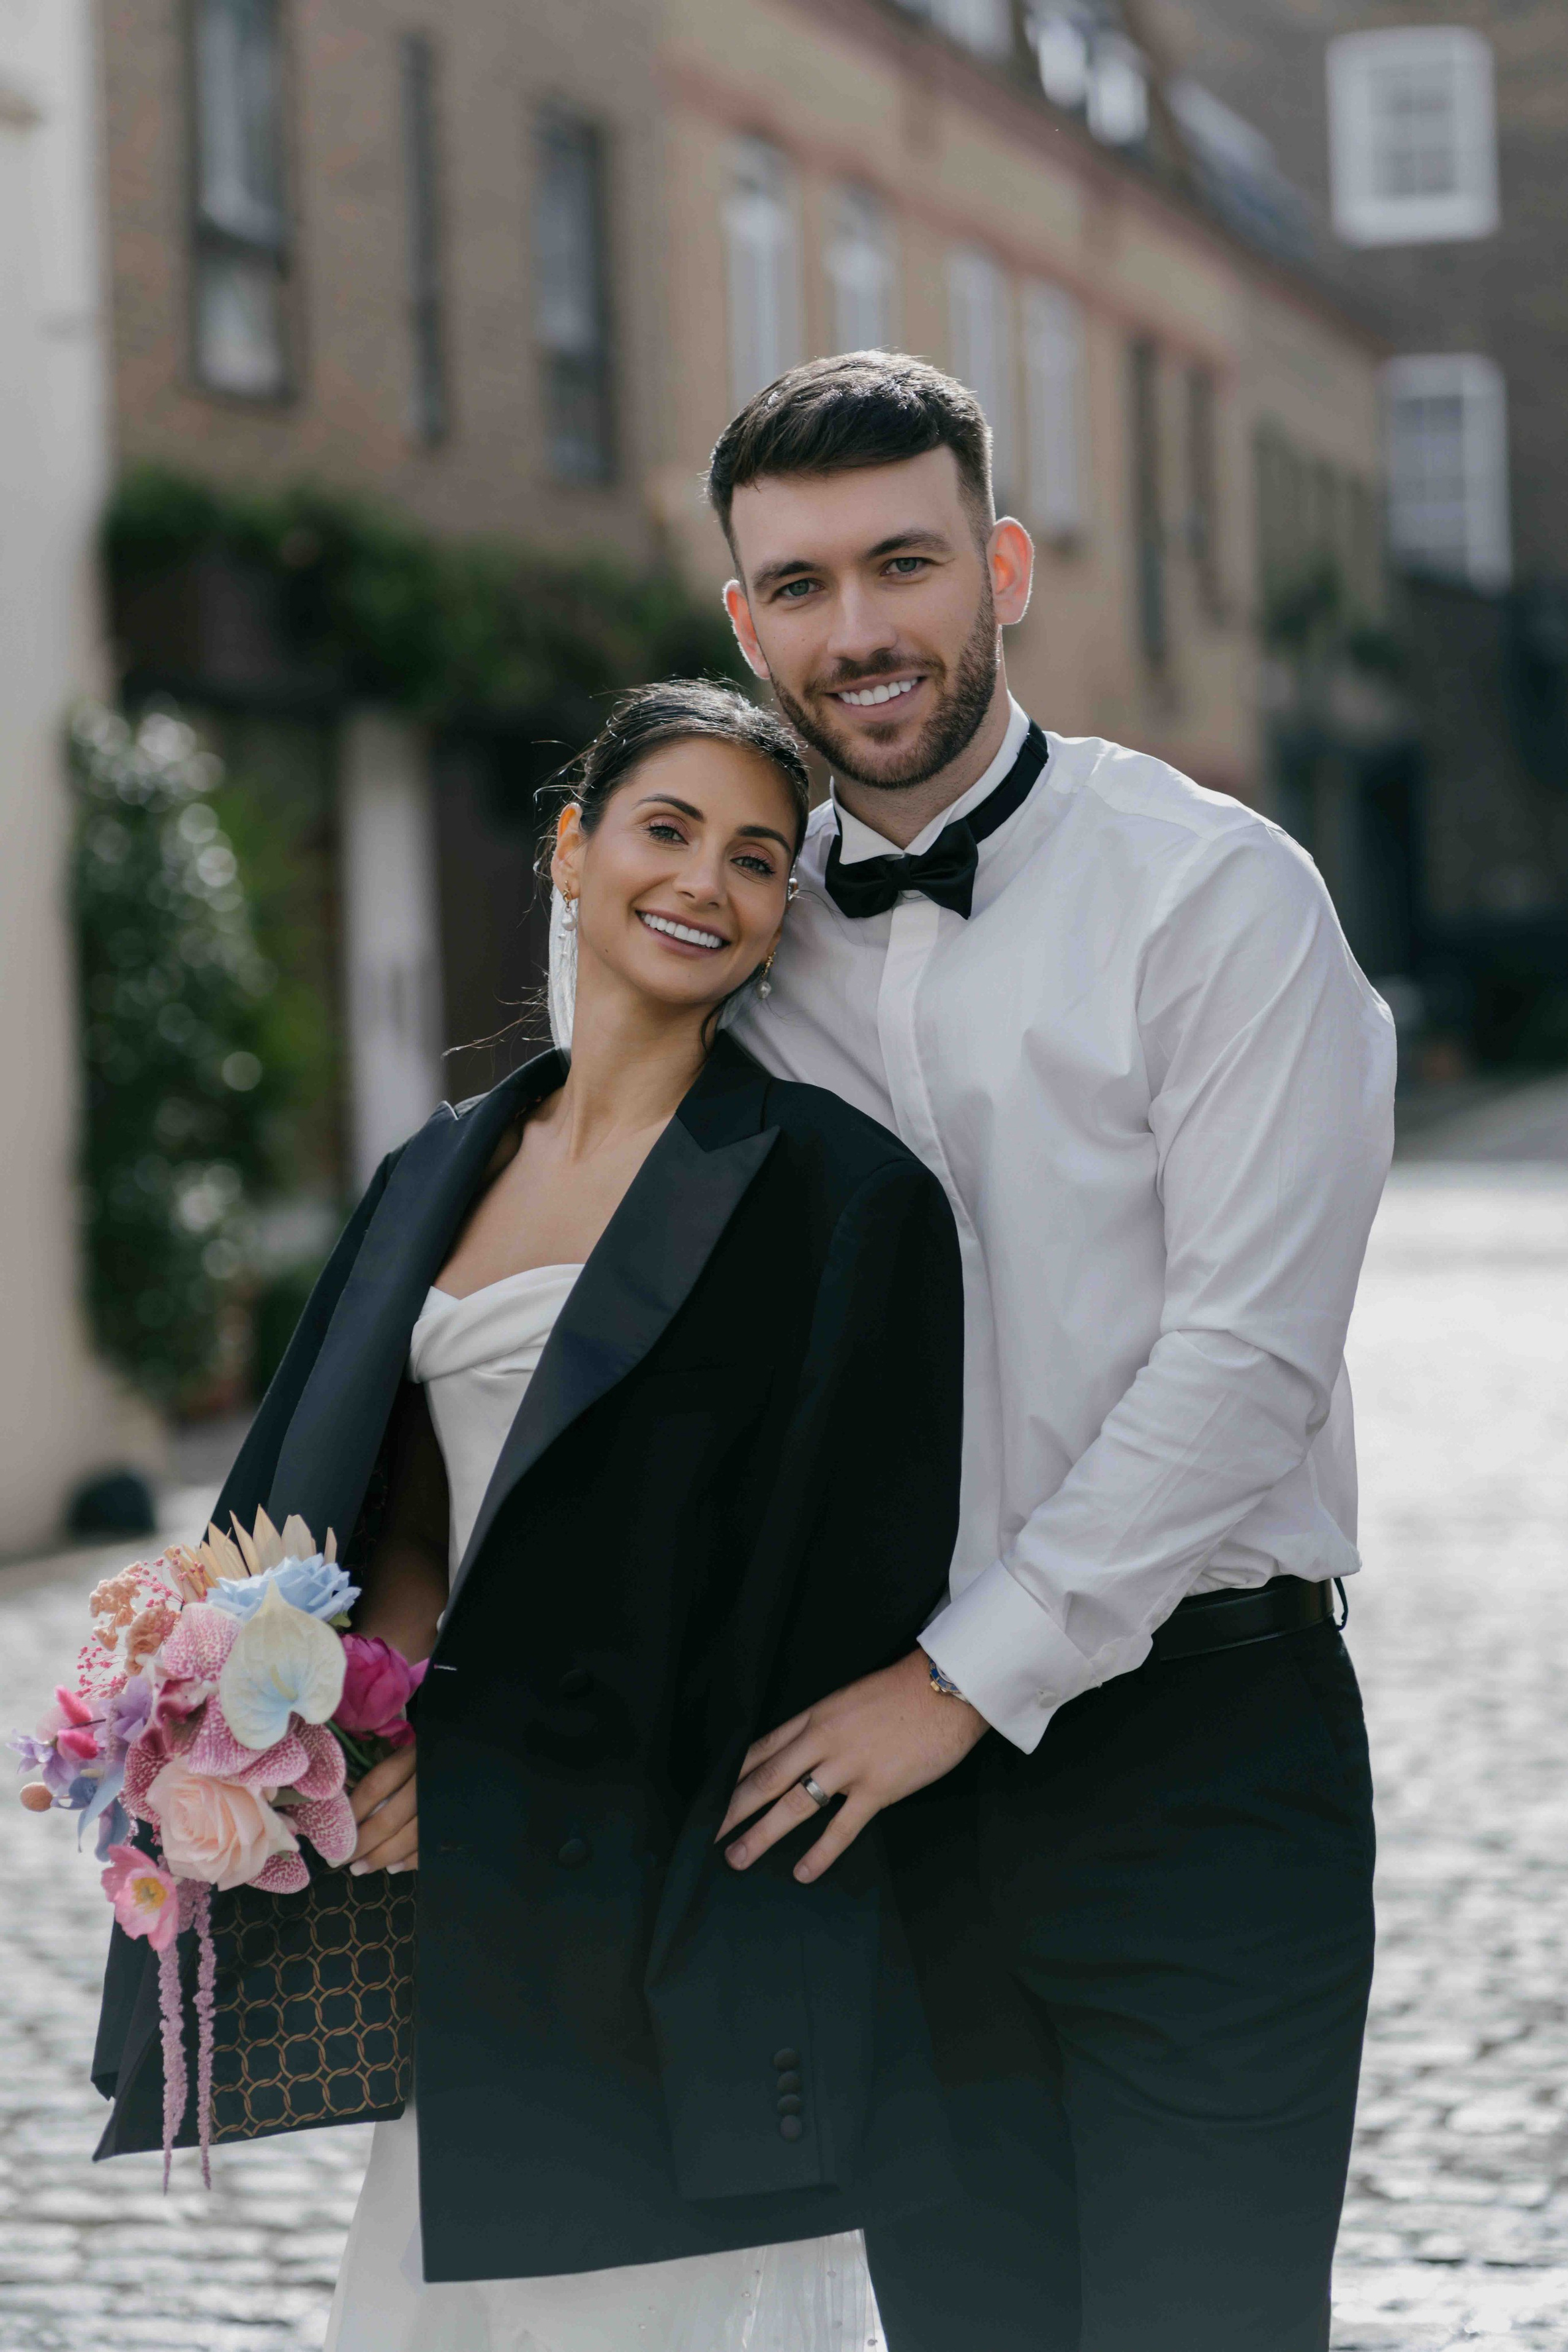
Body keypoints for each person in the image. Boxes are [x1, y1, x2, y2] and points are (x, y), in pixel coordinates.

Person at [89, 682, 968, 2350]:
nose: (707, 881)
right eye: (667, 830)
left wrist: (501, 1773)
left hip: (672, 1918)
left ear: (784, 914)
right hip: (474, 1930)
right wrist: (348, 1721)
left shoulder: (842, 1198)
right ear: (569, 852)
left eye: (758, 858)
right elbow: (391, 1507)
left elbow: (830, 1602)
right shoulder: (437, 1167)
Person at [713, 352, 1396, 2351]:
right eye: (803, 585)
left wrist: (956, 1680)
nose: (862, 631)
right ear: (745, 623)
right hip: (883, 1824)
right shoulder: (738, 942)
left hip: (1201, 1764)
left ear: (1002, 567)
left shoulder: (1219, 897)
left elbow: (1246, 1366)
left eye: (905, 563)